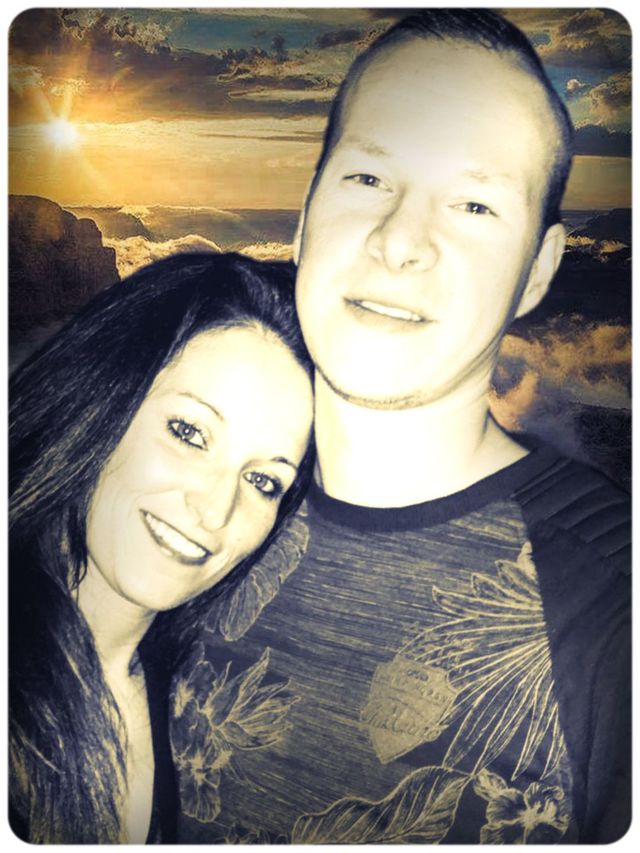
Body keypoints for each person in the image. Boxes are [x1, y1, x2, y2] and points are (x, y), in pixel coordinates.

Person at [177, 9, 630, 845]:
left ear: (538, 271)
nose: (400, 241)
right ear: (306, 217)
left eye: (473, 203)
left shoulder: (609, 608)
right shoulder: (174, 502)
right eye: (367, 178)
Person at [9, 252, 314, 844]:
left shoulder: (184, 693)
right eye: (189, 433)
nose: (215, 510)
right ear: (101, 401)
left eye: (263, 480)